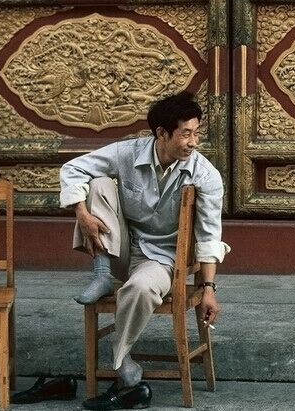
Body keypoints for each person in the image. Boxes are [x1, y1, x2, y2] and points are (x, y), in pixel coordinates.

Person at [58, 91, 229, 410]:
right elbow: (73, 169)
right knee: (98, 184)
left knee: (139, 289)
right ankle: (102, 274)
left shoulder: (204, 174)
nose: (193, 142)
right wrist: (82, 213)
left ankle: (124, 365)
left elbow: (209, 236)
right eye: (186, 134)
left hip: (162, 259)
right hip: (120, 248)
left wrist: (208, 288)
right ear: (161, 133)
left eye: (196, 133)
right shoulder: (128, 153)